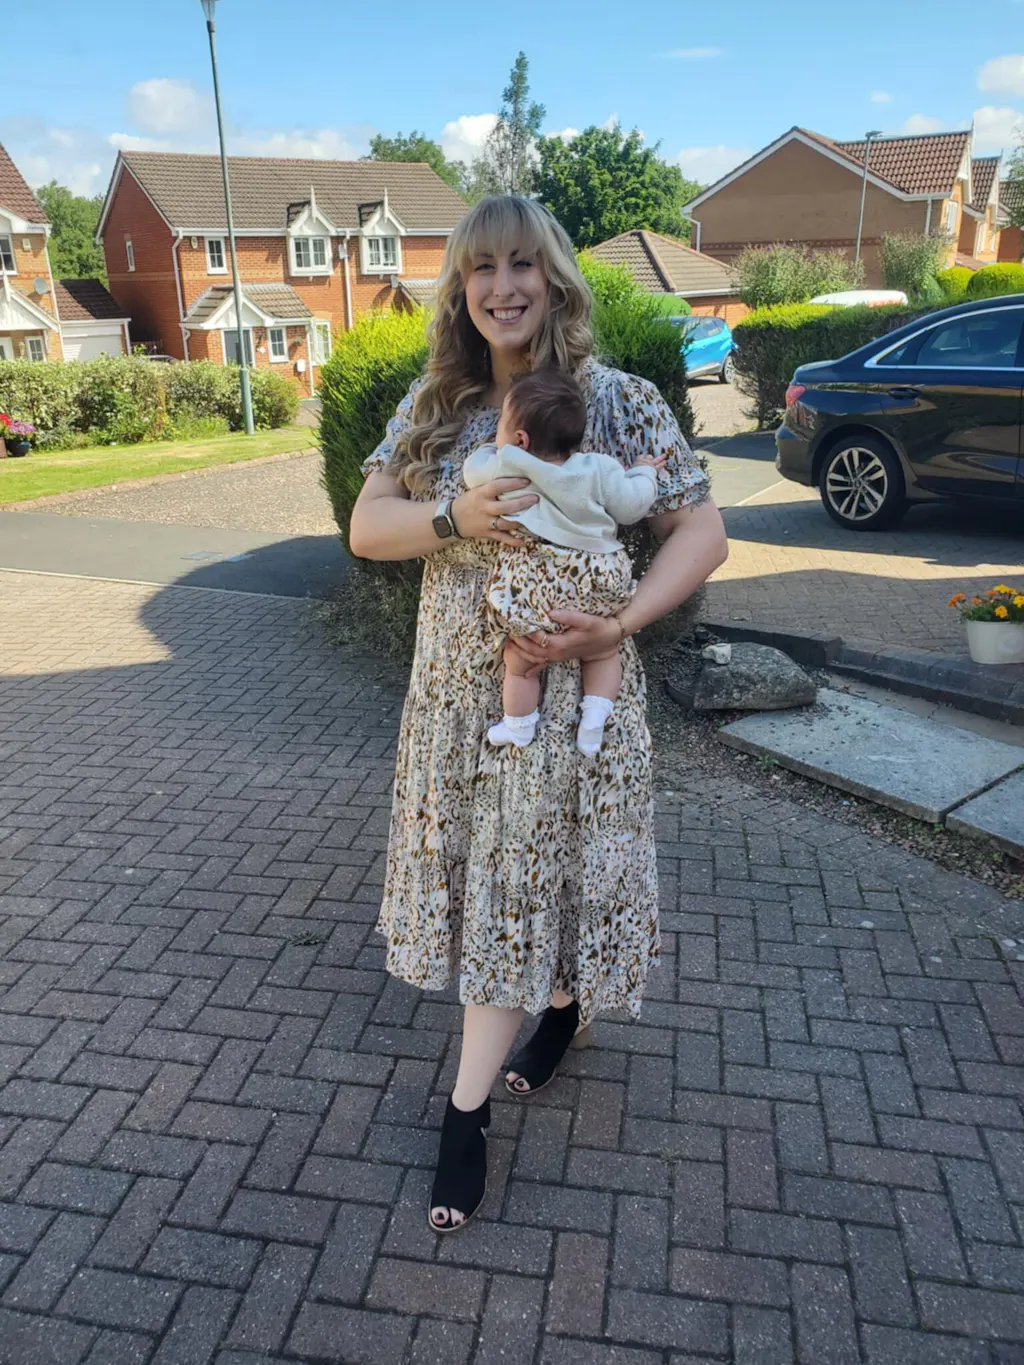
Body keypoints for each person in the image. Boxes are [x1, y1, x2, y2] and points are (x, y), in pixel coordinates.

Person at [349, 195, 727, 1235]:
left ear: (554, 279)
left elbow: (702, 532)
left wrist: (621, 625)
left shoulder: (621, 401)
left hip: (572, 695)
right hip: (457, 698)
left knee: (521, 882)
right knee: (506, 878)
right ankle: (561, 1007)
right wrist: (452, 516)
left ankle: (463, 1113)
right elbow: (366, 529)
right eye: (482, 268)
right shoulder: (436, 404)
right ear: (461, 290)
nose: (503, 286)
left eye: (521, 264)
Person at [463, 366, 666, 756]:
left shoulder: (510, 463)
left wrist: (492, 450)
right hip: (599, 575)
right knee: (603, 650)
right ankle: (594, 721)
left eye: (501, 425)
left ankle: (519, 725)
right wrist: (644, 471)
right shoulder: (599, 467)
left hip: (539, 580)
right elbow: (632, 506)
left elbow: (473, 474)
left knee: (519, 656)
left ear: (520, 439)